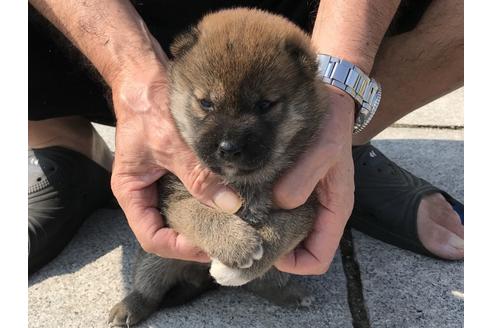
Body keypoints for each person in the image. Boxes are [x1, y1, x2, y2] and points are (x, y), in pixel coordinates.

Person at [28, 0, 464, 275]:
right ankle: (63, 144)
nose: (229, 142)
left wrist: (339, 85)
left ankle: (336, 150)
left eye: (263, 111)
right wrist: (131, 72)